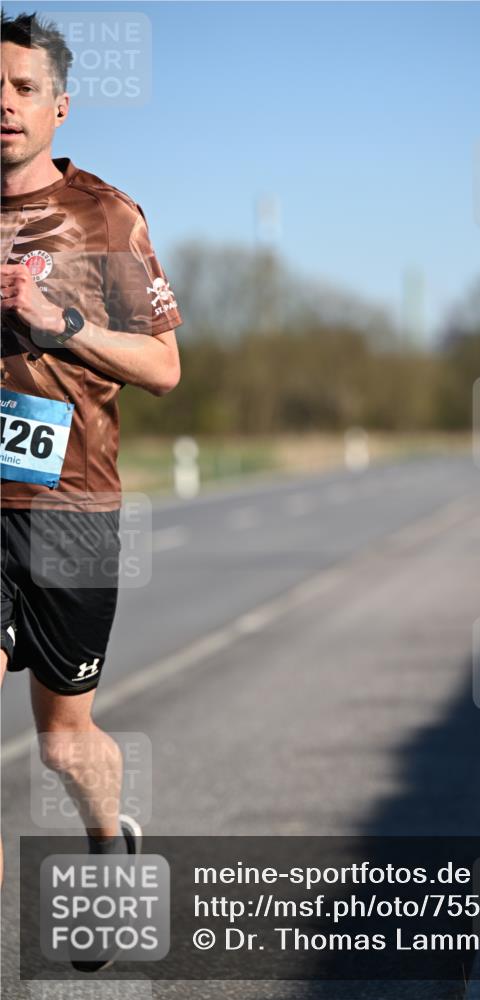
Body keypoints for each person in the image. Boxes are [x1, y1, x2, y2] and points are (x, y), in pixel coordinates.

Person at [1, 12, 182, 969]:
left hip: (70, 513)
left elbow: (162, 368)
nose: (3, 104)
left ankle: (108, 842)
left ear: (58, 107)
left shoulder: (106, 216)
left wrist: (57, 318)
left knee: (66, 742)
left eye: (23, 89)